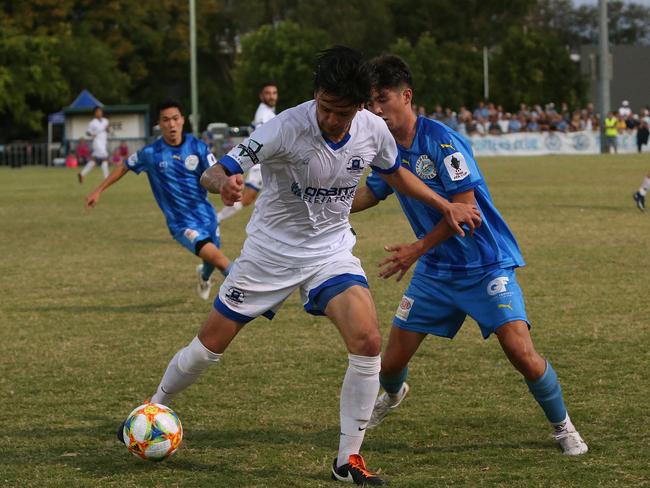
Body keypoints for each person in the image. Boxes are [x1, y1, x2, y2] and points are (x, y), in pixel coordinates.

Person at [125, 47, 481, 486]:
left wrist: (445, 203)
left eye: (345, 113)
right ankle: (153, 407)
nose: (335, 121)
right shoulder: (283, 127)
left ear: (361, 106)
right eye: (328, 110)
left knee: (368, 339)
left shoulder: (371, 128)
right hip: (269, 254)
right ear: (316, 95)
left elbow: (395, 174)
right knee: (208, 348)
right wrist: (227, 184)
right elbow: (214, 171)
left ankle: (347, 461)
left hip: (329, 252)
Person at [351, 54, 588, 457]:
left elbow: (466, 211)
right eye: (370, 102)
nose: (376, 110)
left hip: (484, 266)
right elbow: (374, 190)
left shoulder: (442, 142)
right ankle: (392, 397)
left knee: (520, 352)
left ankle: (563, 426)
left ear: (406, 97)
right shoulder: (384, 147)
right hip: (436, 271)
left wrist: (417, 249)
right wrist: (331, 202)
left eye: (383, 99)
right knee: (389, 364)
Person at [85, 100, 232, 300]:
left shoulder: (198, 147)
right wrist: (98, 190)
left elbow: (216, 173)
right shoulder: (150, 153)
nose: (171, 125)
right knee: (220, 260)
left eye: (175, 119)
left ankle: (203, 277)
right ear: (159, 124)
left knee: (212, 258)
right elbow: (124, 166)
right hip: (181, 223)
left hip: (207, 216)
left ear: (183, 121)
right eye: (166, 120)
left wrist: (225, 185)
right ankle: (251, 294)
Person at [217, 82, 279, 222]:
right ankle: (215, 220)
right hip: (261, 162)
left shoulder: (266, 112)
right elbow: (263, 137)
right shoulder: (264, 114)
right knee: (246, 199)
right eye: (268, 93)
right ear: (261, 96)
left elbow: (253, 129)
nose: (271, 96)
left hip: (266, 161)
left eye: (274, 93)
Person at [78, 106, 111, 183]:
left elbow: (108, 130)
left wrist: (108, 129)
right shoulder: (92, 122)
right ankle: (107, 178)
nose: (99, 113)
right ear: (95, 113)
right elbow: (87, 132)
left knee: (94, 160)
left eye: (100, 111)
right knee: (105, 158)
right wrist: (91, 134)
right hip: (97, 142)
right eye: (98, 111)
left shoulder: (106, 121)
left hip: (103, 142)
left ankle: (82, 174)